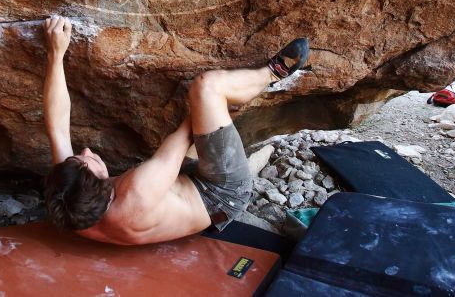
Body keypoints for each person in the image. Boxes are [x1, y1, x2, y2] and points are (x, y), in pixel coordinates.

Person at [42, 15, 309, 245]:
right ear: (101, 184)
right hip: (220, 196)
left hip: (174, 190)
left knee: (209, 117)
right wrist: (212, 109)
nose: (86, 150)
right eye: (88, 160)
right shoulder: (138, 191)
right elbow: (186, 131)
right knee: (207, 88)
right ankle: (274, 73)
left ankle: (228, 113)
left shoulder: (75, 205)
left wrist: (56, 54)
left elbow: (57, 127)